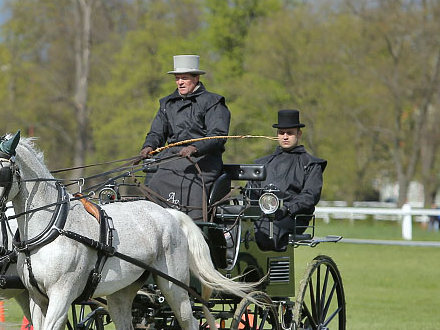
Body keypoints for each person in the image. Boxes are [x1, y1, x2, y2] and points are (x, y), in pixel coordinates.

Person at [140, 54, 231, 221]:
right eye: (177, 78)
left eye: (184, 78)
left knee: (195, 188)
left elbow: (218, 136)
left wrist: (195, 148)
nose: (180, 82)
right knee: (154, 184)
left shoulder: (213, 102)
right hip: (172, 159)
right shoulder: (167, 104)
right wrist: (149, 146)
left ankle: (196, 228)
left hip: (204, 161)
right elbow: (157, 133)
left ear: (196, 78)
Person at [249, 109, 327, 251]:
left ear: (299, 134)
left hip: (293, 218)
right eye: (281, 133)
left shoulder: (311, 164)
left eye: (290, 133)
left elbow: (310, 196)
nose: (285, 137)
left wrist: (286, 208)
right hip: (262, 216)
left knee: (264, 230)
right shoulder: (263, 164)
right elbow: (251, 192)